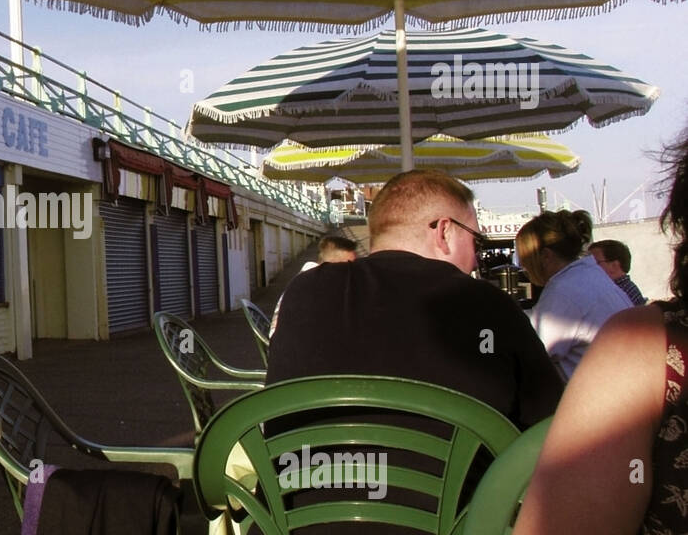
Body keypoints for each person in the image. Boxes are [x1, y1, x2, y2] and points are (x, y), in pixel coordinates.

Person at [492, 135, 688, 535]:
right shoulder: (591, 285)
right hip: (601, 439)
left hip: (596, 434)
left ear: (539, 260)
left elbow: (524, 364)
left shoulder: (564, 296)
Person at [268, 169, 562, 431]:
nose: (475, 258)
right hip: (466, 492)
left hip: (303, 487)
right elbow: (548, 424)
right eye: (476, 241)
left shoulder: (304, 291)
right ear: (444, 231)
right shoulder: (488, 304)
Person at [516, 211, 632, 380]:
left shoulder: (564, 290)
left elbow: (529, 352)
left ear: (546, 256)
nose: (524, 267)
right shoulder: (589, 275)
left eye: (525, 260)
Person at [269, 232, 358, 335]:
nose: (353, 272)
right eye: (349, 267)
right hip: (291, 346)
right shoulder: (314, 286)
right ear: (331, 265)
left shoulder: (307, 278)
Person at [590, 238, 648, 306]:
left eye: (594, 262)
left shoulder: (620, 293)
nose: (587, 267)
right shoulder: (622, 288)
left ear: (614, 265)